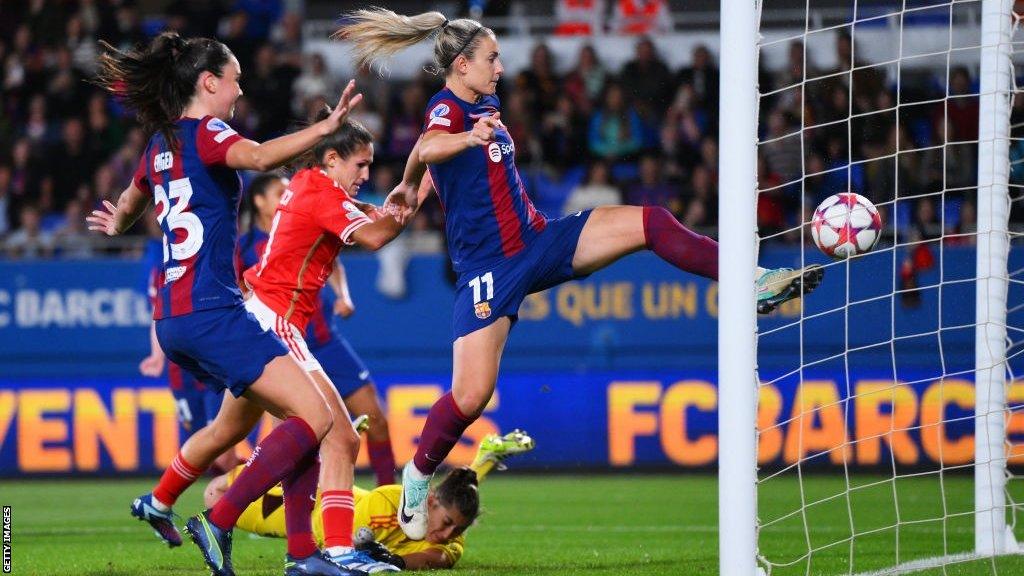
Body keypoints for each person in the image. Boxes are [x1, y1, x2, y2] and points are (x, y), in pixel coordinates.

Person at [336, 8, 825, 540]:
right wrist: (421, 171)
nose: (501, 67)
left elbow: (437, 162)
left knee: (651, 221)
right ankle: (417, 474)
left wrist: (416, 184)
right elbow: (430, 147)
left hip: (540, 239)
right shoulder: (447, 107)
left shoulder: (484, 103)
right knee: (471, 396)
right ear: (461, 65)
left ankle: (747, 281)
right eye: (492, 58)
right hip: (489, 268)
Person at [88, 31, 365, 576]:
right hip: (213, 311)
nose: (239, 91)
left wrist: (119, 218)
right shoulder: (208, 131)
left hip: (174, 318)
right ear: (208, 82)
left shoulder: (160, 143)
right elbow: (259, 156)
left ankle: (300, 555)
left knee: (290, 420)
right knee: (316, 417)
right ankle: (221, 520)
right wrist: (325, 129)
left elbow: (133, 195)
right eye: (234, 79)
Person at [237, 116, 410, 571]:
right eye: (361, 164)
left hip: (277, 321)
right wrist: (408, 204)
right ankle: (221, 517)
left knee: (338, 438)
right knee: (327, 432)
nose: (366, 175)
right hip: (275, 321)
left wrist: (393, 205)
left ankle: (326, 550)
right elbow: (374, 236)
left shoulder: (311, 184)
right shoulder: (320, 192)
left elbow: (365, 217)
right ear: (332, 159)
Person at [237, 174, 397, 487]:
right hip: (279, 343)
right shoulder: (244, 248)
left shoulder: (309, 217)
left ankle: (386, 496)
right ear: (259, 201)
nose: (287, 194)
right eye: (279, 191)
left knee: (376, 419)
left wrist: (343, 295)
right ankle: (270, 507)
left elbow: (335, 262)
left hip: (324, 341)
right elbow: (236, 288)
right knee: (293, 438)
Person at [204, 430, 537, 571]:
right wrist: (364, 553)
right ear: (430, 502)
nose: (449, 535)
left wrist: (393, 562)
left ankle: (486, 457)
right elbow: (340, 546)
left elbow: (429, 560)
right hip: (316, 508)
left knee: (218, 493)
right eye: (448, 523)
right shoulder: (390, 502)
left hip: (325, 505)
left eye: (458, 529)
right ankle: (327, 445)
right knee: (214, 493)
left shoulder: (451, 542)